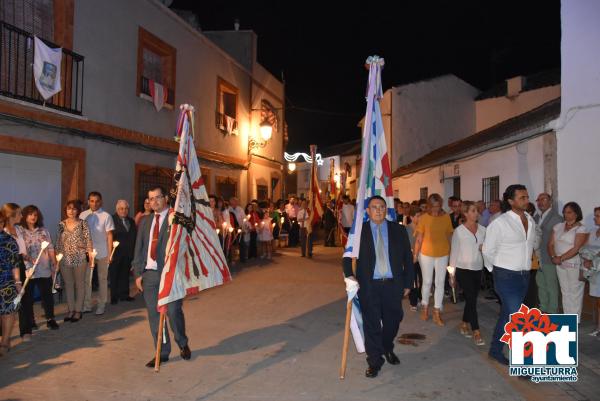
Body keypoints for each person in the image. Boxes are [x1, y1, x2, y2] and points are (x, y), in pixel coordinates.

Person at [342, 195, 414, 378]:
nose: (379, 210)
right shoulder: (358, 232)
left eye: (382, 207)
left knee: (394, 320)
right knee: (372, 324)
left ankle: (387, 347)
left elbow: (408, 259)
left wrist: (408, 282)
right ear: (368, 211)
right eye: (374, 207)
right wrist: (350, 276)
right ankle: (374, 360)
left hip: (393, 285)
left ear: (386, 209)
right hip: (369, 286)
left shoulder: (398, 230)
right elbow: (346, 257)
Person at [132, 186, 190, 368]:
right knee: (154, 316)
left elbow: (184, 242)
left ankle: (182, 343)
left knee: (173, 312)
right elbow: (139, 248)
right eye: (150, 198)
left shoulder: (175, 220)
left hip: (169, 274)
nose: (154, 201)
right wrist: (138, 273)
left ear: (165, 198)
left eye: (158, 197)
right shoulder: (144, 221)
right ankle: (162, 352)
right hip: (149, 275)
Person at [482, 184, 536, 366]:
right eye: (522, 197)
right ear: (511, 201)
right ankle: (523, 364)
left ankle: (495, 350)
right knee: (518, 319)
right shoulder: (500, 223)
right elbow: (488, 250)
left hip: (524, 275)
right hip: (505, 276)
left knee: (507, 315)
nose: (526, 200)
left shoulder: (530, 220)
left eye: (527, 196)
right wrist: (494, 270)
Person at [413, 193, 454, 325]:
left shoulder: (446, 217)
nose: (436, 209)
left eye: (438, 206)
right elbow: (419, 238)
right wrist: (415, 255)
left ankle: (436, 311)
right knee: (427, 281)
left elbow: (449, 236)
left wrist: (452, 253)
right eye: (433, 206)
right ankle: (425, 307)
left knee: (440, 282)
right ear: (429, 206)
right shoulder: (424, 218)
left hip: (443, 253)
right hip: (426, 253)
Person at [449, 201, 486, 346]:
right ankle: (476, 330)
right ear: (465, 213)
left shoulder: (483, 230)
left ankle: (464, 323)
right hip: (463, 269)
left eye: (476, 210)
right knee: (471, 299)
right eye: (472, 211)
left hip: (478, 268)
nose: (476, 213)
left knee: (471, 299)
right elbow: (454, 252)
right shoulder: (459, 231)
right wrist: (452, 274)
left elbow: (489, 248)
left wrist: (486, 249)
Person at [20, 205, 59, 330]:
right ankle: (31, 320)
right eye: (30, 214)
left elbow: (51, 248)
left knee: (47, 294)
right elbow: (20, 250)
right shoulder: (20, 231)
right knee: (28, 297)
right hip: (28, 268)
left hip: (44, 267)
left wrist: (54, 263)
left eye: (35, 215)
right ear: (25, 216)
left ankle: (50, 318)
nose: (33, 217)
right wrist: (27, 259)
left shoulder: (43, 230)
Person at [548, 202, 588, 321]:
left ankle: (575, 320)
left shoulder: (581, 228)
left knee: (575, 291)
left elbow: (576, 248)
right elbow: (550, 244)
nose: (566, 214)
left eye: (569, 212)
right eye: (565, 212)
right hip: (559, 262)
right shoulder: (558, 226)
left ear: (576, 214)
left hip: (573, 262)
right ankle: (567, 318)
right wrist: (554, 257)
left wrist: (561, 258)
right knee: (565, 291)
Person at [55, 200, 93, 322]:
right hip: (65, 259)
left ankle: (78, 310)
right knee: (69, 285)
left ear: (78, 210)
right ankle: (70, 310)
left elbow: (89, 241)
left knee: (80, 285)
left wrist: (89, 258)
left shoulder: (83, 224)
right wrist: (57, 259)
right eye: (69, 208)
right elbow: (58, 243)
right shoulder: (61, 224)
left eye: (74, 209)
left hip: (81, 258)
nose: (71, 211)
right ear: (66, 210)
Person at [79, 191, 115, 315]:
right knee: (87, 280)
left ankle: (101, 305)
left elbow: (110, 235)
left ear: (101, 201)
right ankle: (87, 304)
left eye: (97, 201)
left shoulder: (106, 216)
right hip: (87, 253)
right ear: (88, 201)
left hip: (103, 252)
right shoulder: (83, 215)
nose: (94, 203)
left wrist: (110, 254)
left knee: (102, 279)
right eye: (92, 201)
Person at [2, 204, 30, 339]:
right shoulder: (4, 231)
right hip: (6, 269)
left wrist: (26, 256)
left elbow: (21, 248)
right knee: (5, 303)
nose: (22, 216)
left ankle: (25, 331)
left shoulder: (19, 229)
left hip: (20, 265)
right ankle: (3, 335)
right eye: (19, 213)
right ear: (11, 215)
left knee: (23, 298)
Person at [533, 193, 563, 313]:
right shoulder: (536, 217)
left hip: (549, 256)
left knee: (551, 285)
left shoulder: (557, 218)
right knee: (540, 284)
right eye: (538, 200)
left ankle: (552, 310)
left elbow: (558, 239)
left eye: (543, 199)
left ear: (550, 201)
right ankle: (543, 308)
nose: (540, 202)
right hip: (537, 257)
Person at [0, 210, 21, 356]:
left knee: (8, 311)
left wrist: (18, 282)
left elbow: (15, 263)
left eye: (1, 223)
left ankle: (5, 340)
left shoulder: (9, 240)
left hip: (6, 281)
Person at [110, 200, 137, 304]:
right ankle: (114, 296)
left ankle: (125, 295)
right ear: (117, 209)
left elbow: (134, 236)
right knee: (114, 275)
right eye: (121, 208)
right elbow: (109, 236)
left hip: (128, 253)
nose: (124, 210)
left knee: (125, 275)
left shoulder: (131, 221)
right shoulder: (111, 219)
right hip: (115, 253)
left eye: (126, 208)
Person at [582, 207, 600, 336]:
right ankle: (598, 327)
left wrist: (594, 259)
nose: (595, 218)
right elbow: (585, 247)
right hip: (594, 270)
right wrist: (587, 259)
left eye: (598, 216)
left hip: (597, 265)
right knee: (598, 301)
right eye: (595, 215)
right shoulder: (593, 231)